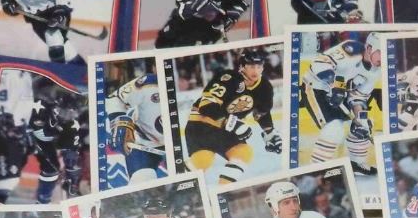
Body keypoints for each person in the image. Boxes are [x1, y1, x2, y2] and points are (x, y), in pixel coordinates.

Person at [183, 47, 280, 186]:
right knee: (203, 160)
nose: (255, 70)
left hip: (225, 129)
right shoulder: (228, 78)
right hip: (202, 125)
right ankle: (181, 181)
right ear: (242, 66)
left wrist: (270, 132)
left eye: (259, 66)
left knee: (243, 152)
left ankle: (222, 190)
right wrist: (233, 123)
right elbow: (206, 106)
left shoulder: (264, 87)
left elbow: (261, 112)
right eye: (251, 66)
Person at [300, 33, 381, 175]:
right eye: (381, 52)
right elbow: (320, 62)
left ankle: (357, 164)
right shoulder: (352, 49)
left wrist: (359, 119)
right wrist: (334, 84)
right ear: (369, 48)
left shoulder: (376, 71)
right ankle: (316, 170)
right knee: (334, 129)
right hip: (316, 87)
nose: (384, 58)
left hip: (340, 93)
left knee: (364, 124)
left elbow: (358, 97)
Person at [104, 65, 167, 183]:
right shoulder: (148, 83)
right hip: (143, 144)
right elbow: (115, 99)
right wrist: (120, 122)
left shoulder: (192, 87)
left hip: (178, 146)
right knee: (142, 180)